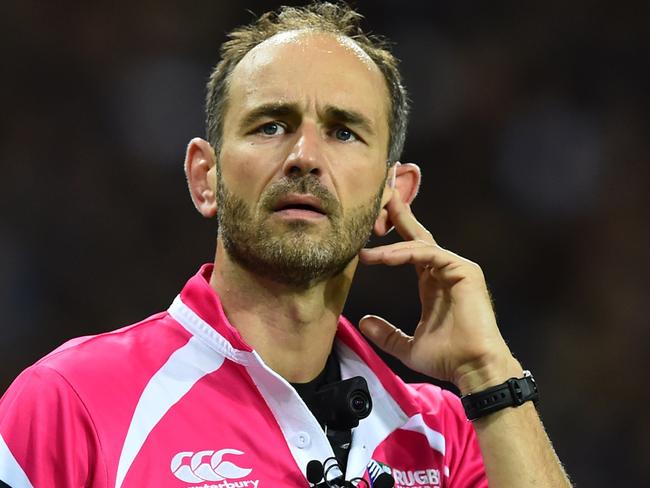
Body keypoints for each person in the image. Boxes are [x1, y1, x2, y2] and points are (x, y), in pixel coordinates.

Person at [0, 3, 572, 487]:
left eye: (344, 131)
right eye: (271, 125)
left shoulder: (448, 436)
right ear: (206, 178)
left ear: (390, 196)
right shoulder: (72, 403)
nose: (305, 156)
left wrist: (488, 369)